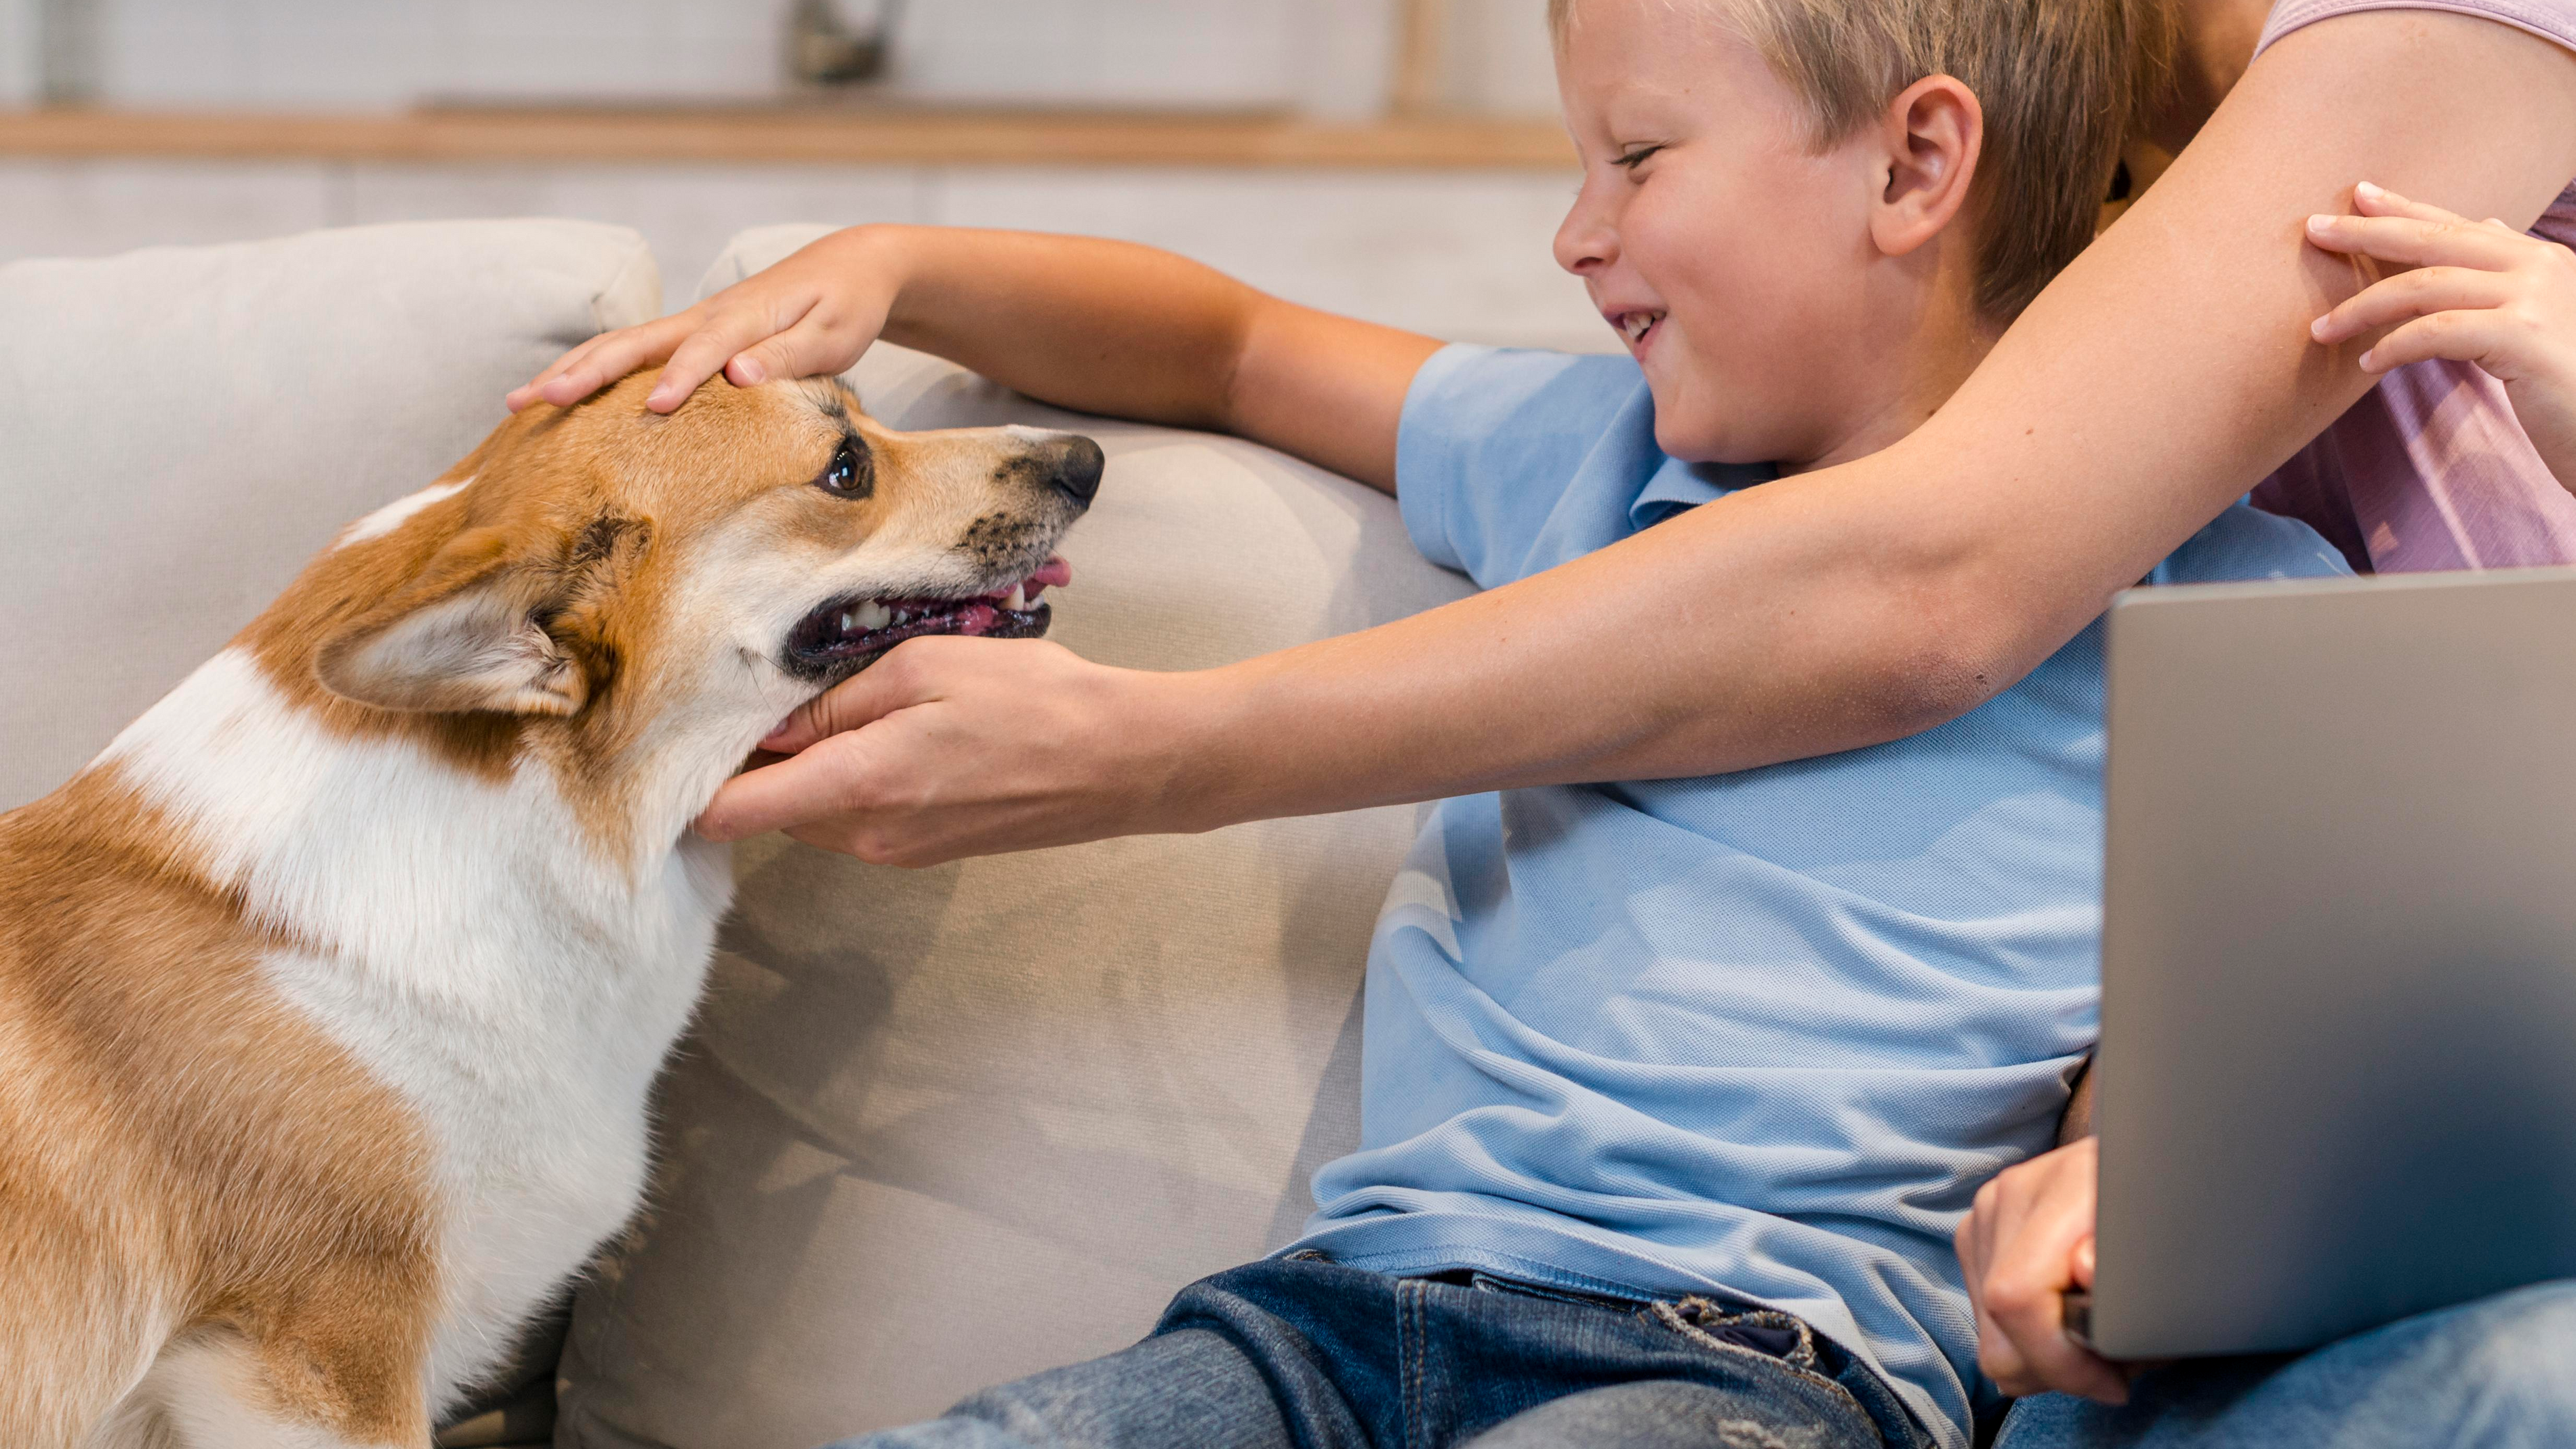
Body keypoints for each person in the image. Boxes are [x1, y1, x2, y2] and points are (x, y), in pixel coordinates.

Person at [512, 4, 2576, 1446]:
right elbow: (1226, 339)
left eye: (1638, 157)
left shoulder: (2241, 617)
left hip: (1754, 1372)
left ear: (1919, 160)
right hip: (1331, 1319)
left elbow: (2161, 1090)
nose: (1575, 234)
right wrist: (899, 260)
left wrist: (2108, 1206)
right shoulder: (1580, 458)